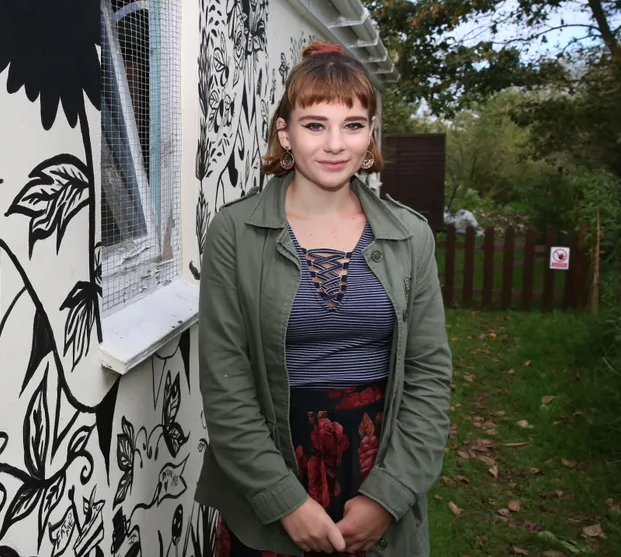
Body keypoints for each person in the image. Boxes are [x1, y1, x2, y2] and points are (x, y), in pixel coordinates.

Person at [194, 41, 453, 556]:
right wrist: (283, 500)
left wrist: (389, 496)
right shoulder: (234, 233)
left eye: (353, 125)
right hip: (268, 465)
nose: (336, 144)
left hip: (378, 459)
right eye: (315, 124)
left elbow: (429, 376)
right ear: (284, 133)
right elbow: (226, 384)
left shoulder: (409, 236)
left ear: (370, 135)